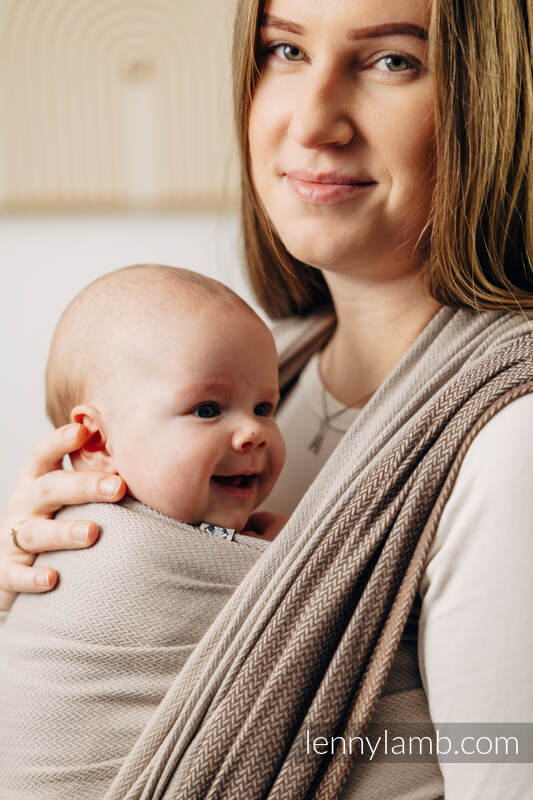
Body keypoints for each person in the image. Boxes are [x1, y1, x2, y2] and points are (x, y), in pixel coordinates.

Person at [1, 0, 532, 798]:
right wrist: (50, 601)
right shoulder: (260, 373)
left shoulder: (509, 437)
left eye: (392, 60)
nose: (312, 121)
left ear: (494, 100)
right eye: (284, 51)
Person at [0, 264, 287, 797]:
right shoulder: (98, 542)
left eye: (265, 407)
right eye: (207, 409)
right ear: (96, 443)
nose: (254, 432)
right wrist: (282, 563)